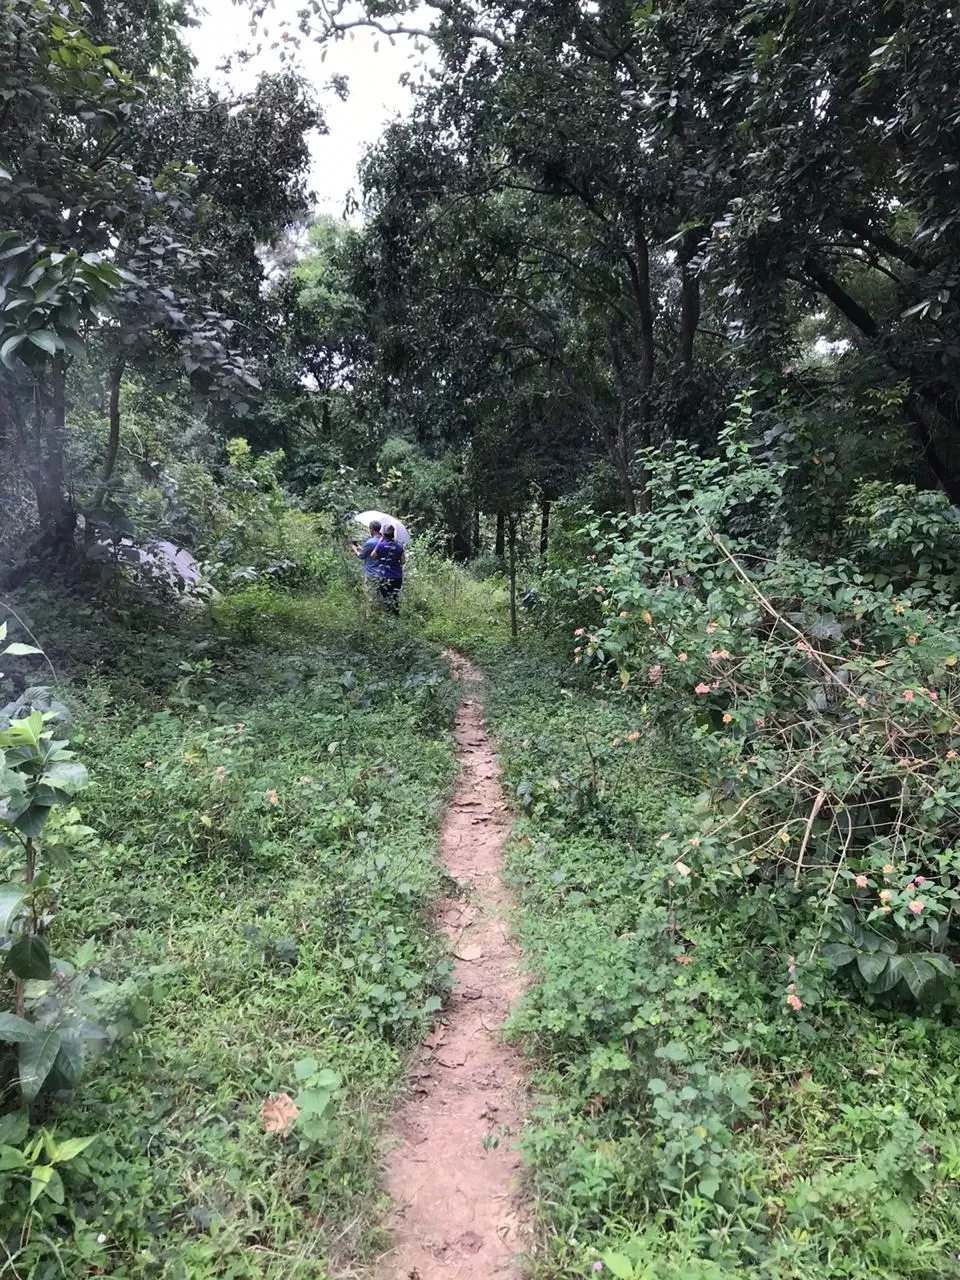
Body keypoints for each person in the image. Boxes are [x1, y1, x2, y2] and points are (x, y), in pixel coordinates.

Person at [370, 524, 405, 613]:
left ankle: (389, 617)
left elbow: (373, 556)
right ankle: (396, 615)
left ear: (384, 534)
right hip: (397, 577)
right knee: (394, 597)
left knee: (386, 598)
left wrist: (379, 543)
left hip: (384, 576)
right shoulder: (399, 547)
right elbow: (403, 562)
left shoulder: (381, 545)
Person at [354, 520, 383, 603]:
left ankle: (371, 615)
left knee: (371, 598)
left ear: (372, 530)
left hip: (371, 574)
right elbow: (372, 552)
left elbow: (361, 556)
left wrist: (354, 549)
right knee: (380, 597)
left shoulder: (370, 542)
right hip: (382, 573)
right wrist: (362, 549)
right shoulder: (384, 541)